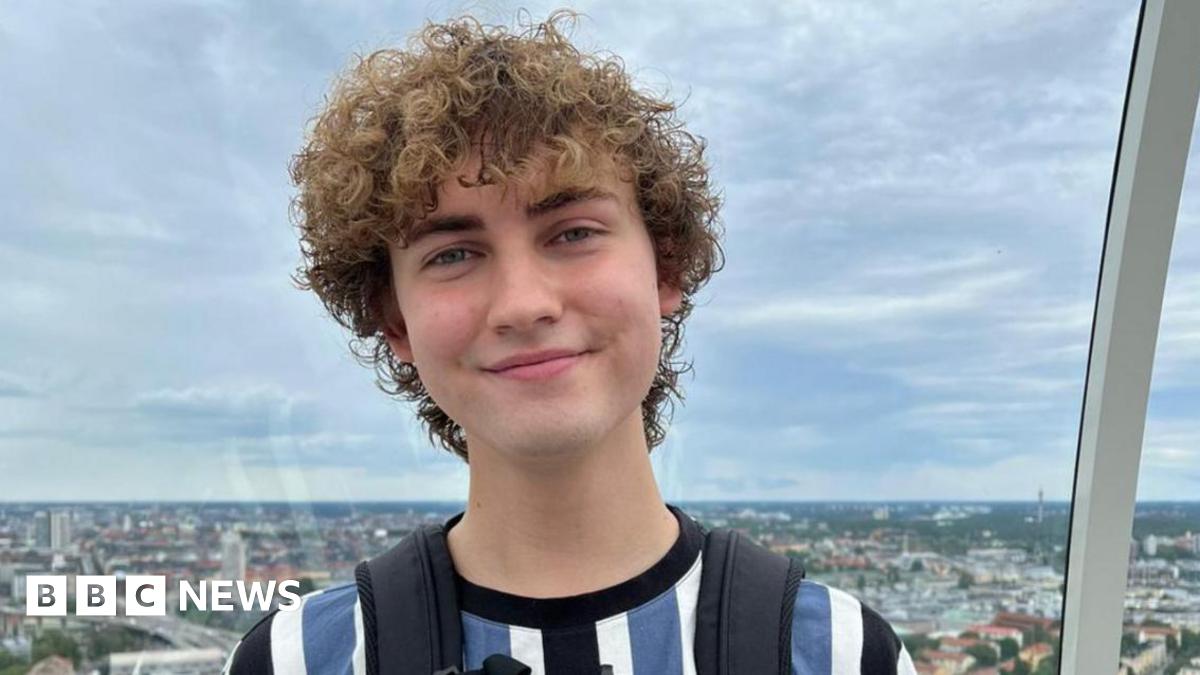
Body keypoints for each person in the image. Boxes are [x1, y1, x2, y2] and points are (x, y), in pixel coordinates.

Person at [224, 9, 916, 675]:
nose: (524, 303)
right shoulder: (290, 662)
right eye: (453, 254)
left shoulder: (843, 656)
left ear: (665, 266)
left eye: (573, 232)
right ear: (395, 319)